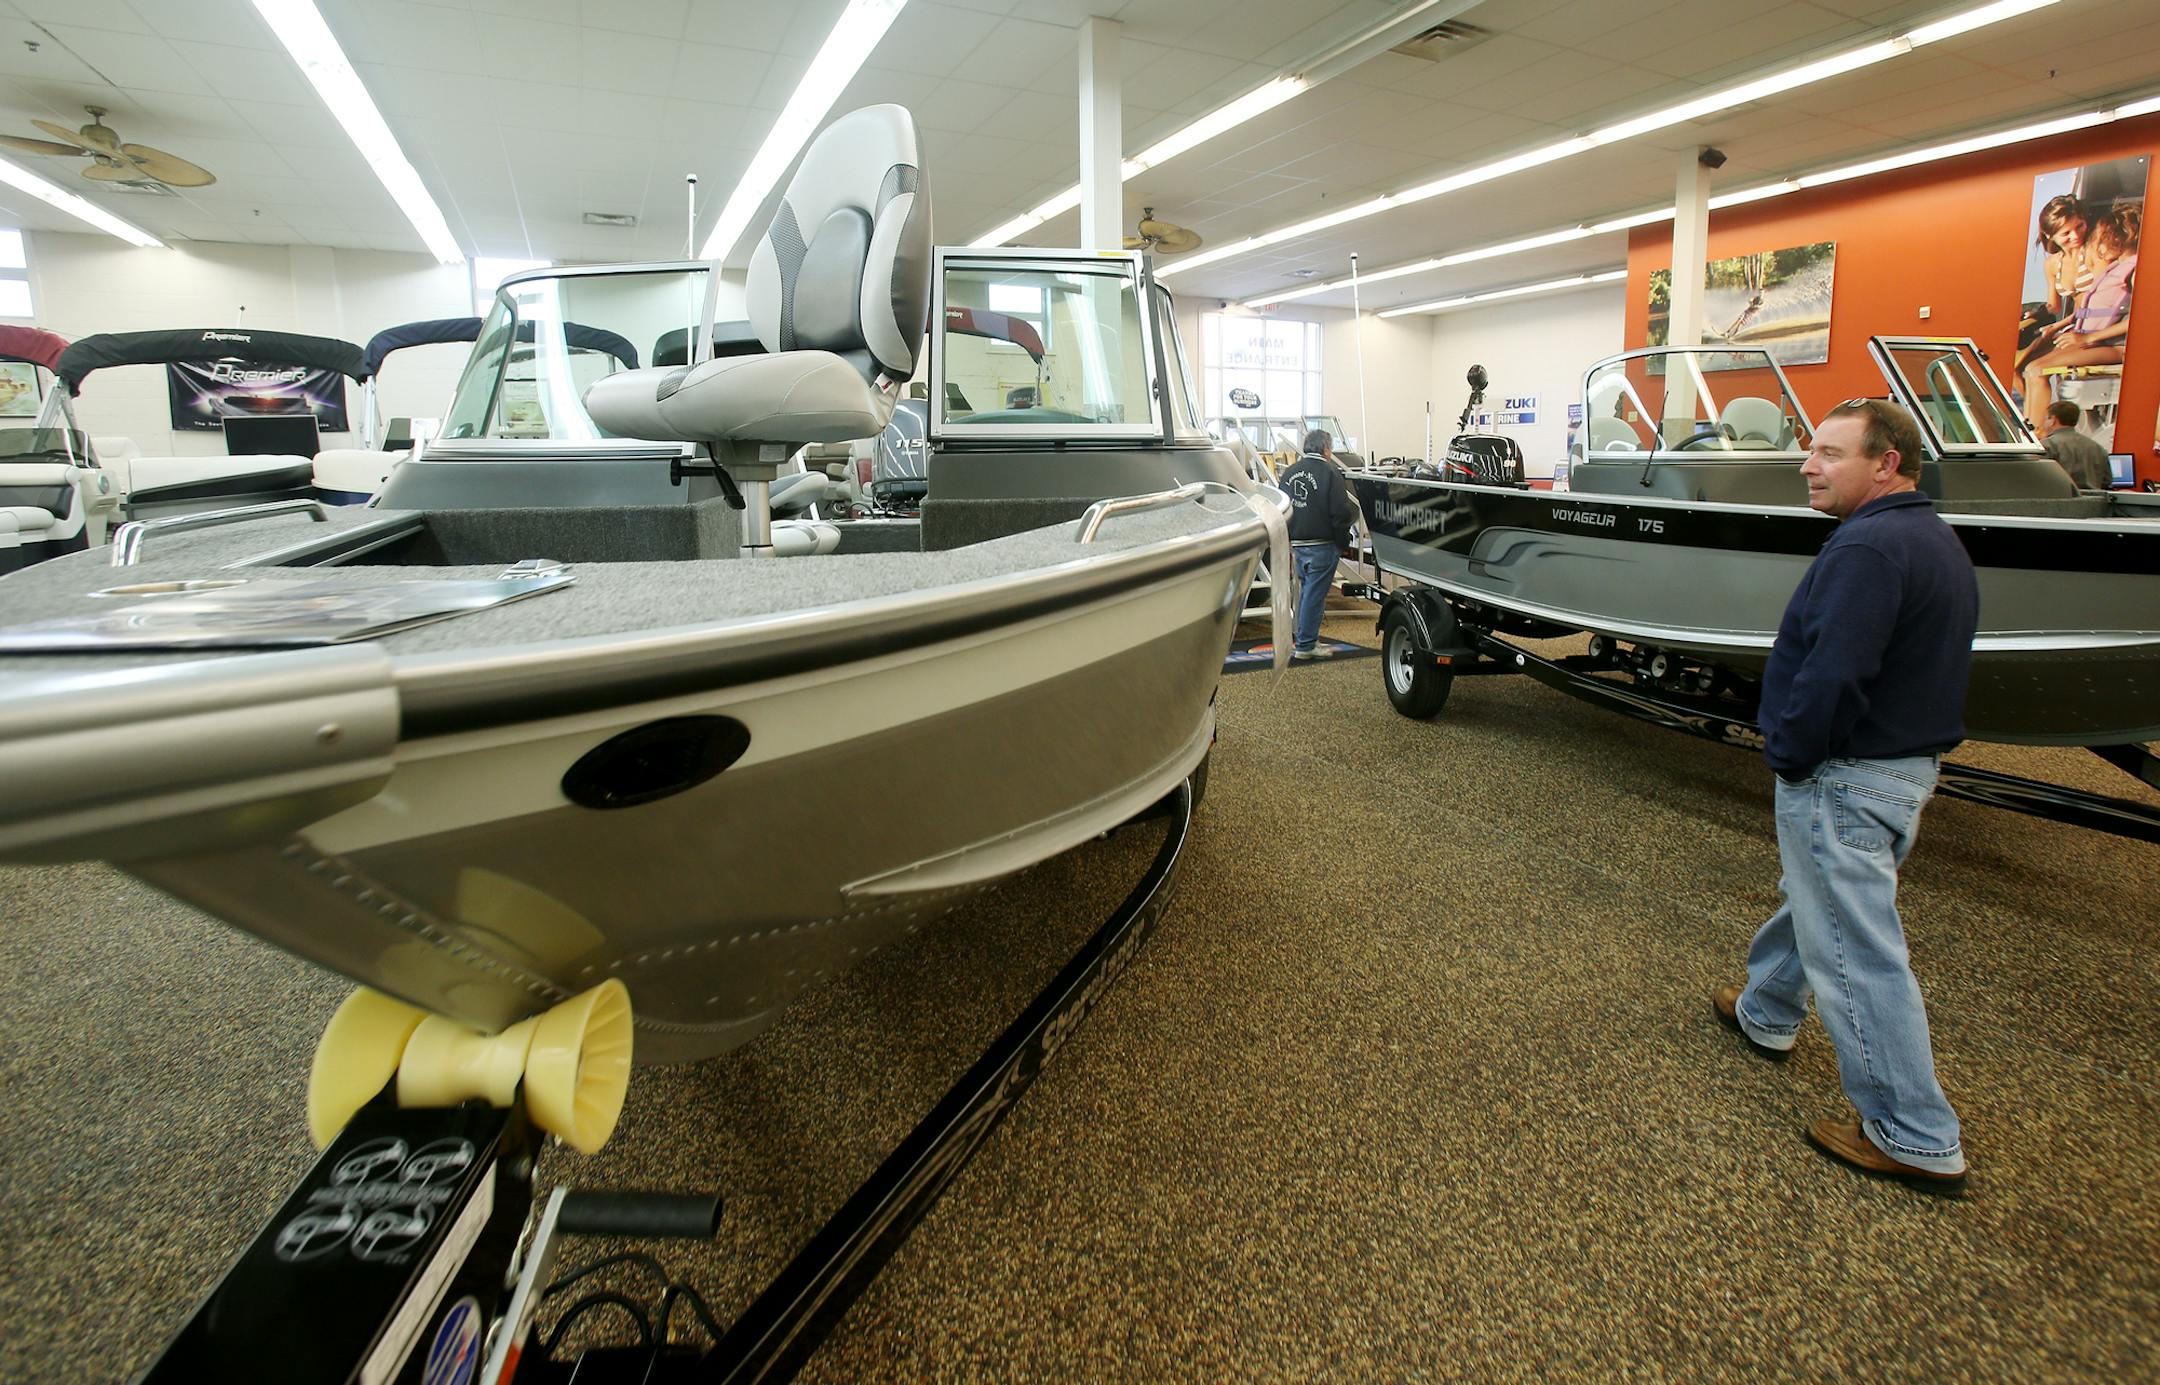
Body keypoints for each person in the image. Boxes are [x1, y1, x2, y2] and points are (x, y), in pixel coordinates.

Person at [1711, 398, 1978, 1196]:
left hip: (1849, 774)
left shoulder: (1867, 546)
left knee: (1856, 948)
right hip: (1900, 769)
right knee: (1820, 900)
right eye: (1811, 450)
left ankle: (1913, 1130)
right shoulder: (1930, 536)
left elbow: (1836, 671)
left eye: (1829, 452)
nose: (1807, 464)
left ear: (1885, 463)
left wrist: (1790, 754)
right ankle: (1766, 1008)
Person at [2021, 204, 2138, 429]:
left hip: (2113, 344)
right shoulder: (2119, 267)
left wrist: (2086, 339)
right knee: (2027, 367)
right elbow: (2056, 306)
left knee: (2036, 369)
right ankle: (2032, 430)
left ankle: (2038, 435)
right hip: (2091, 334)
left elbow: (2141, 319)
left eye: (2099, 237)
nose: (2092, 242)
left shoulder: (2133, 270)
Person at [1279, 427, 1355, 660]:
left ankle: (1305, 638)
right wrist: (1343, 540)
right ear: (1326, 449)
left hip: (1297, 543)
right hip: (1322, 544)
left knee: (1306, 593)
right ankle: (1305, 645)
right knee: (1314, 595)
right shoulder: (1331, 473)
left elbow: (1282, 507)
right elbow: (1341, 512)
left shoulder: (1289, 473)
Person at [2039, 399, 2111, 490]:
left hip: (2058, 500)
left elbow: (2038, 478)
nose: (2043, 423)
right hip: (2093, 502)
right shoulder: (2097, 448)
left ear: (2053, 420)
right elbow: (2107, 482)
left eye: (2045, 419)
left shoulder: (2046, 445)